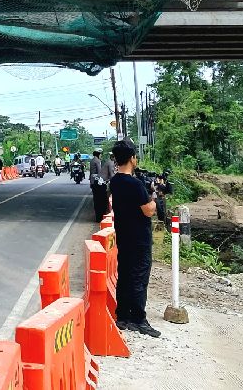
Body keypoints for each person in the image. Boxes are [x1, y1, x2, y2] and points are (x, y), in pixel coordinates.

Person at [109, 138, 161, 338]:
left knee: (125, 275)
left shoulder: (115, 181)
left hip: (123, 235)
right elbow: (148, 211)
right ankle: (139, 319)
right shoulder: (136, 184)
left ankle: (122, 316)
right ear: (132, 158)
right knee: (139, 277)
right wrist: (154, 198)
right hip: (139, 238)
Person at [89, 150, 109, 221]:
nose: (101, 156)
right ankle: (100, 216)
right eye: (100, 154)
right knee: (101, 200)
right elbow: (100, 172)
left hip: (93, 181)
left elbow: (91, 172)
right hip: (98, 181)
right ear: (98, 154)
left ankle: (98, 216)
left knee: (96, 199)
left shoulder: (92, 160)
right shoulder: (97, 161)